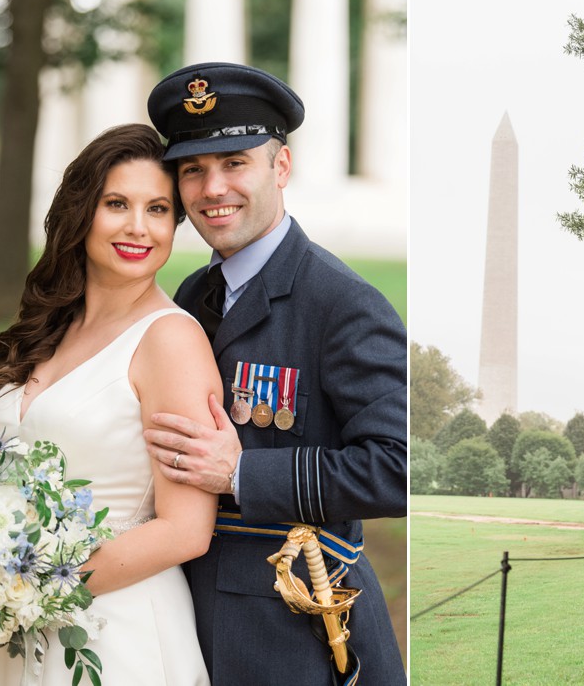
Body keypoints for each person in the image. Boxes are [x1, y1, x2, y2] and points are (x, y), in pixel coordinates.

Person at [142, 62, 407, 685]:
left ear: (280, 167)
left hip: (287, 630)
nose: (213, 188)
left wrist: (238, 473)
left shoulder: (342, 302)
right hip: (181, 612)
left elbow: (400, 467)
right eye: (193, 170)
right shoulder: (190, 292)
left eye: (235, 162)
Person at [0, 124, 221, 684]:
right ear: (81, 213)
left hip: (113, 632)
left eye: (158, 209)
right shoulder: (49, 323)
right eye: (116, 204)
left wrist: (33, 586)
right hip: (9, 622)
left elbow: (186, 529)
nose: (137, 227)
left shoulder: (171, 340)